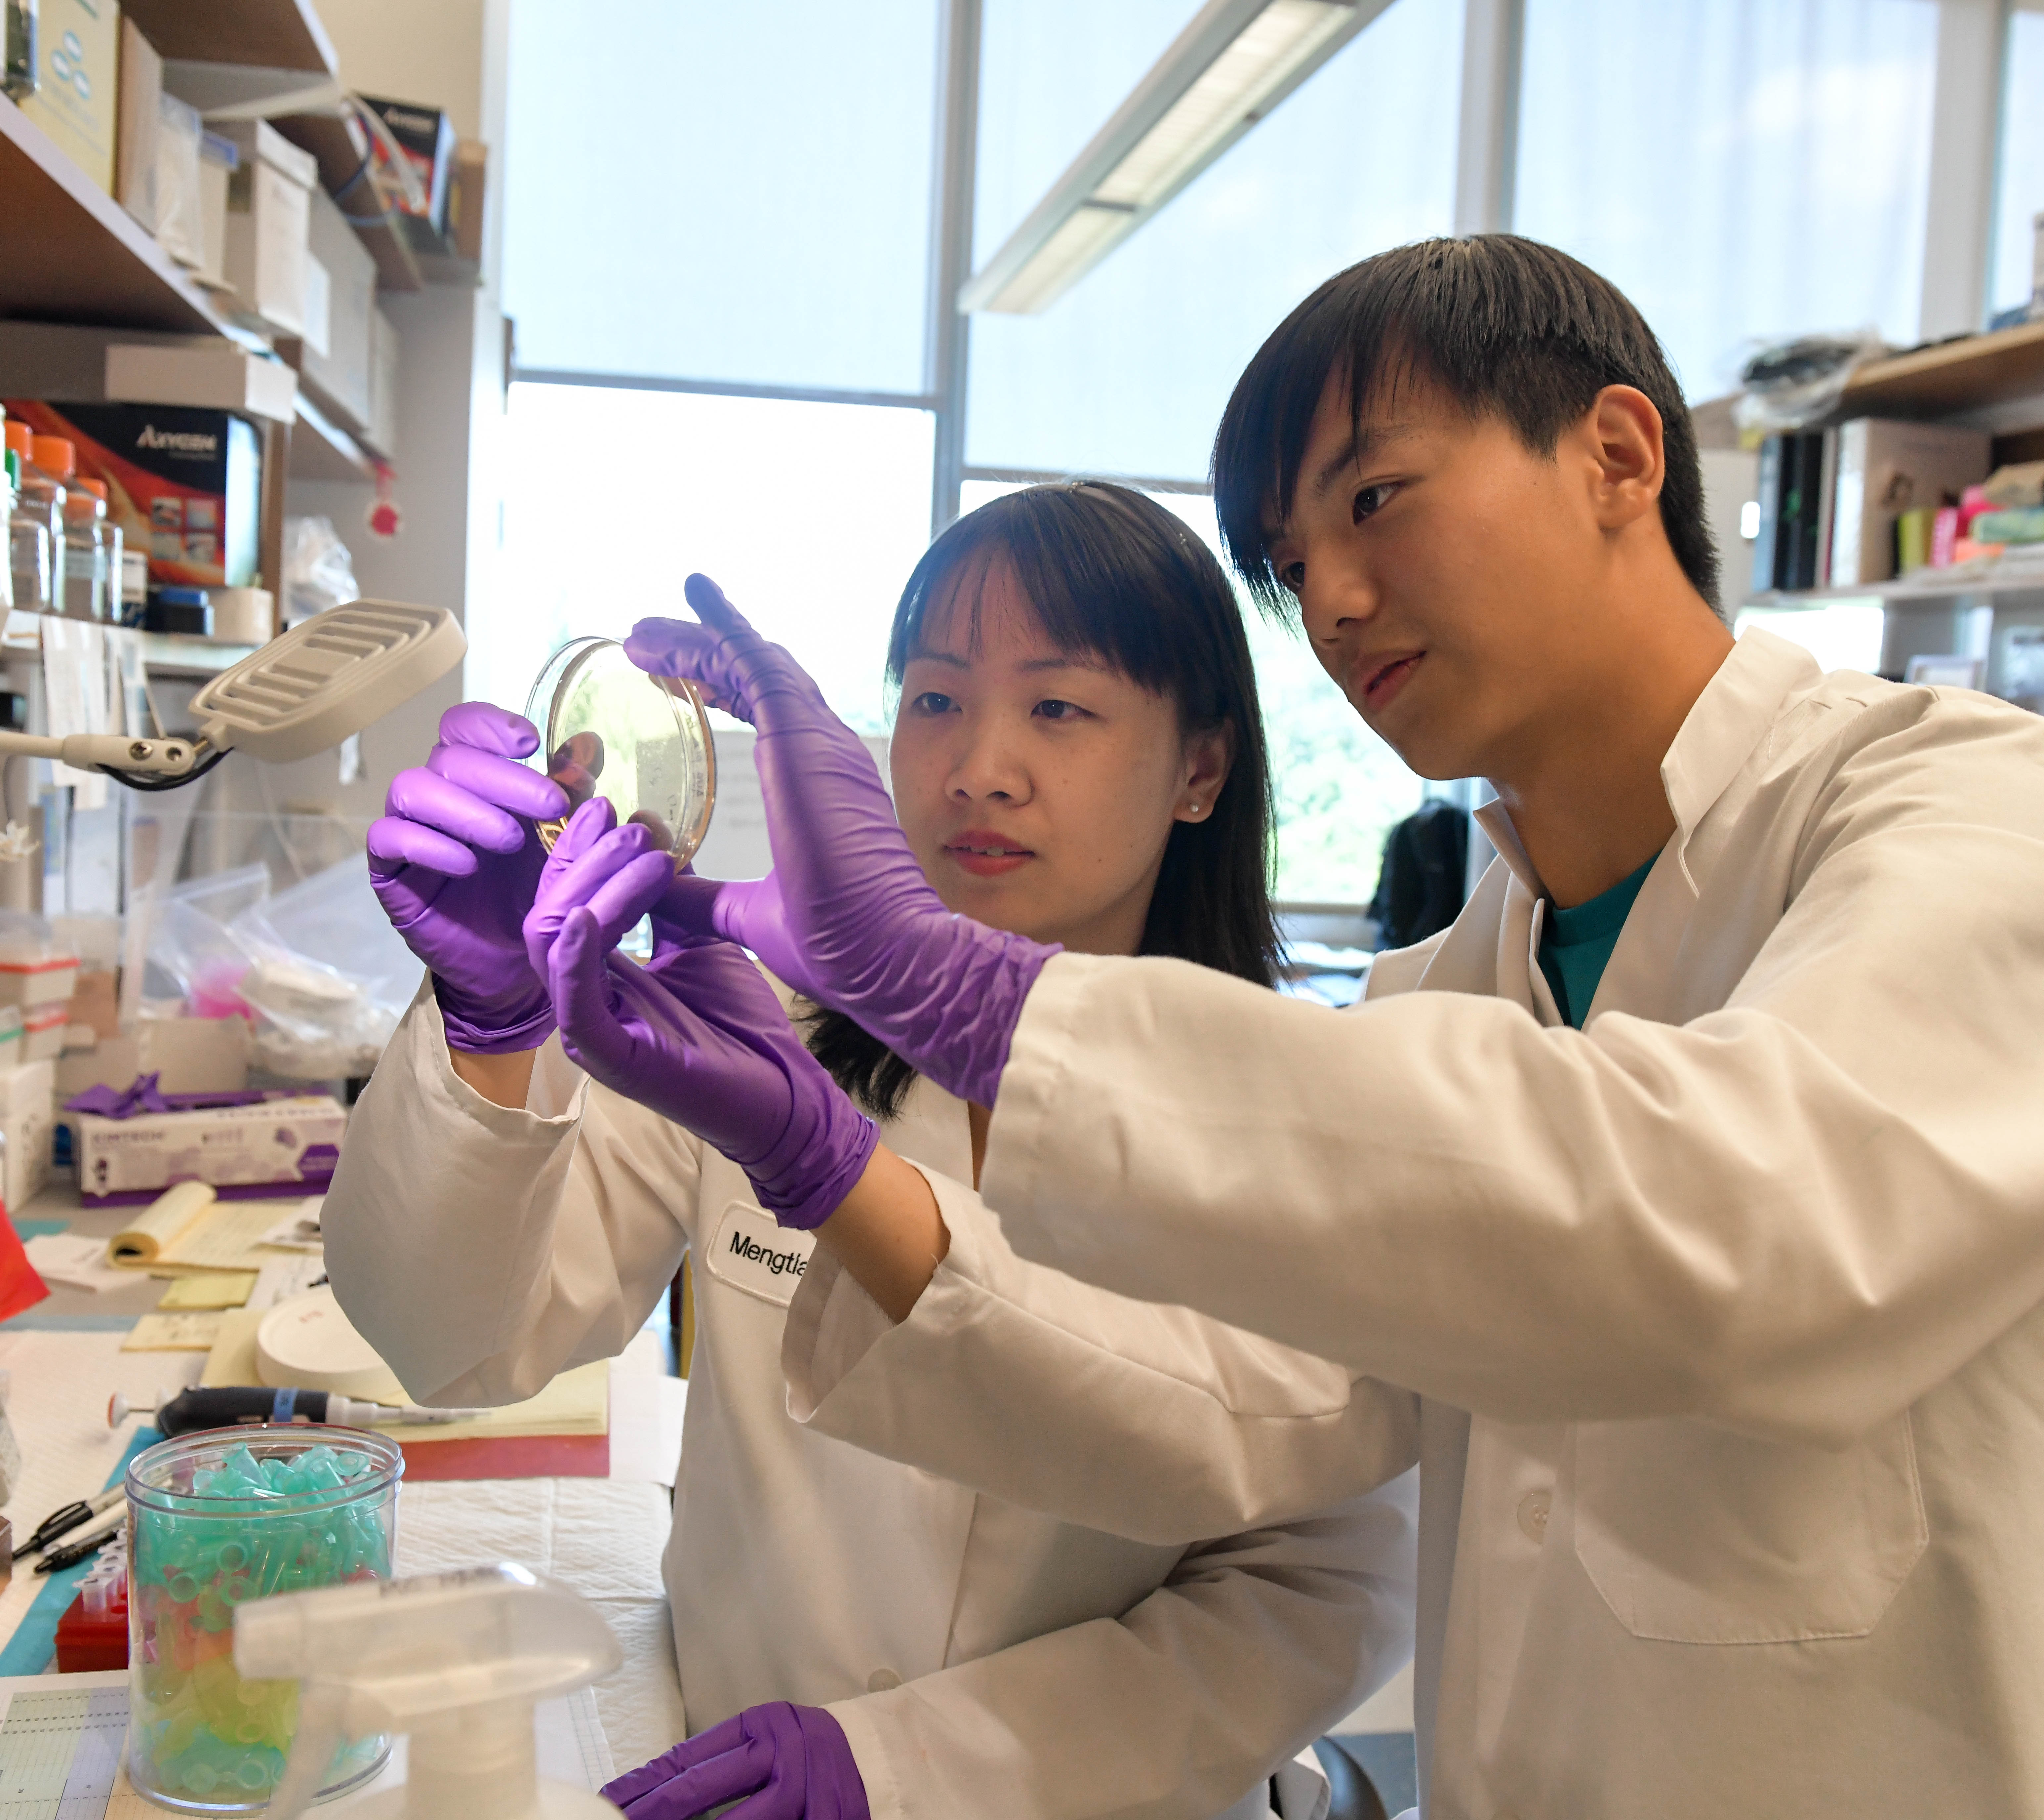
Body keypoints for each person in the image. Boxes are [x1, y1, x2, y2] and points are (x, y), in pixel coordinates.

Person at [533, 237, 2044, 1817]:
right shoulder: (1454, 983)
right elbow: (1235, 1420)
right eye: (1295, 563)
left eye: (1377, 499)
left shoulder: (1980, 822)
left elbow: (1735, 1221)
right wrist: (820, 1151)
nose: (1339, 599)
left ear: (1617, 455)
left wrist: (969, 999)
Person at [328, 480, 1419, 1820]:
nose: (979, 768)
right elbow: (452, 1337)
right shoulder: (748, 1026)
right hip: (734, 1772)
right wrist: (491, 1026)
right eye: (938, 699)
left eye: (1060, 706)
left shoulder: (1297, 1106)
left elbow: (1326, 1582)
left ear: (1200, 767)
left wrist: (914, 1763)